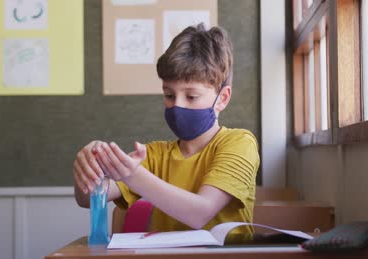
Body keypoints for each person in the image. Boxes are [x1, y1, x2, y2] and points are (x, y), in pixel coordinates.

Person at [73, 23, 260, 242]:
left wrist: (132, 175)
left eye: (191, 97)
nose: (177, 106)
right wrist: (89, 168)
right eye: (169, 95)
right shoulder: (154, 155)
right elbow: (88, 199)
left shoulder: (240, 143)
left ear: (223, 98)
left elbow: (199, 214)